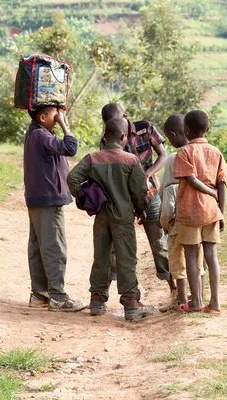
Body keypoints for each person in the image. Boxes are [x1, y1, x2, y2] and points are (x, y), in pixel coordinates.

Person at [67, 118, 155, 321]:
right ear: (124, 137)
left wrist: (86, 198)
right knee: (126, 258)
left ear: (104, 136)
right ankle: (131, 303)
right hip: (123, 217)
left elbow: (72, 178)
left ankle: (97, 300)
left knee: (101, 257)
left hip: (101, 216)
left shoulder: (92, 158)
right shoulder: (131, 160)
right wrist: (140, 210)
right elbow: (140, 191)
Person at [100, 103, 174, 295]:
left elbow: (163, 155)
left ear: (126, 116)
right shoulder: (106, 139)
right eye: (110, 124)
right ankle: (102, 294)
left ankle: (174, 289)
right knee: (116, 248)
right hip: (123, 200)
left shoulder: (145, 128)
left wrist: (147, 174)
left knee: (159, 243)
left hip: (150, 195)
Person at [24, 106, 87, 312]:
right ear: (42, 117)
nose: (58, 116)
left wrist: (56, 121)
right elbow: (70, 148)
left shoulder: (36, 133)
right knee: (54, 247)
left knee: (38, 246)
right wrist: (64, 124)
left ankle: (39, 294)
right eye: (54, 114)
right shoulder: (41, 135)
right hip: (48, 199)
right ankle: (58, 297)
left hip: (37, 198)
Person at [174, 110, 227, 314]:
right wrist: (220, 210)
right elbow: (223, 183)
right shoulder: (216, 152)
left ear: (187, 130)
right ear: (207, 129)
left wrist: (210, 192)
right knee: (211, 255)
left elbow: (191, 179)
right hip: (211, 210)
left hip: (190, 210)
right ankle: (215, 302)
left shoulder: (184, 152)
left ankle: (196, 301)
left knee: (191, 254)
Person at [159, 114, 205, 311]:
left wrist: (164, 221)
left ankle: (181, 299)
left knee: (178, 260)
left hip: (178, 218)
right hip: (200, 214)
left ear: (172, 135)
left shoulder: (173, 158)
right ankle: (199, 298)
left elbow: (166, 192)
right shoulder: (203, 152)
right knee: (198, 258)